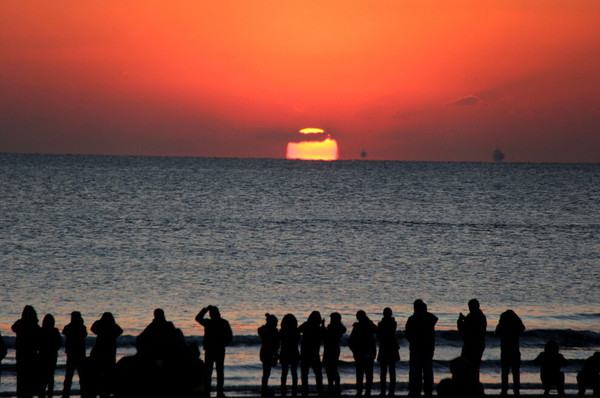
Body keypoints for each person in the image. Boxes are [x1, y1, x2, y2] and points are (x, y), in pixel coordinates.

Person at [195, 305, 233, 398]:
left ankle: (208, 388)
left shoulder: (209, 323)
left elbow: (198, 318)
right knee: (219, 370)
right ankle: (219, 389)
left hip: (211, 349)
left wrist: (205, 309)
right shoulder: (223, 322)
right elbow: (229, 336)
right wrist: (225, 343)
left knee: (209, 371)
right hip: (218, 349)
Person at [405, 300, 438, 397]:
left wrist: (412, 340)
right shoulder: (429, 318)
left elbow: (408, 333)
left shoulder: (413, 319)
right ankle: (427, 390)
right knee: (426, 370)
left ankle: (416, 390)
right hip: (426, 348)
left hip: (417, 348)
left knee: (416, 371)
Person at [91, 312, 123, 398]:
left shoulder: (100, 324)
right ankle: (106, 390)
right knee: (108, 371)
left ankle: (100, 389)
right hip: (110, 351)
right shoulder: (113, 326)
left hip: (101, 350)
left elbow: (93, 328)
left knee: (99, 371)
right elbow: (120, 331)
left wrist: (101, 332)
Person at [12, 305, 41, 398]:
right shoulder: (34, 325)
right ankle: (29, 394)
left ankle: (21, 394)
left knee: (21, 376)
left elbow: (13, 328)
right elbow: (39, 339)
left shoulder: (20, 323)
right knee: (30, 376)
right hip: (32, 353)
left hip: (21, 353)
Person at [495, 309, 525, 396]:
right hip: (515, 350)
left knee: (505, 372)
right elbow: (522, 328)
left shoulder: (503, 322)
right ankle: (516, 390)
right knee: (515, 372)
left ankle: (504, 390)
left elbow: (497, 331)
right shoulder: (516, 322)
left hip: (505, 350)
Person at [457, 299, 487, 383]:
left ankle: (468, 385)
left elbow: (465, 331)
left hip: (470, 345)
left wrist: (459, 322)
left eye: (470, 307)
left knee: (466, 366)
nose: (469, 308)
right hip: (479, 344)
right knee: (475, 367)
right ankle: (475, 385)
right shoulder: (481, 316)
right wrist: (465, 319)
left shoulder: (471, 317)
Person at [349, 310, 378, 397]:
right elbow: (376, 330)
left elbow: (351, 341)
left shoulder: (358, 327)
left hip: (361, 353)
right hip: (367, 352)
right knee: (368, 372)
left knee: (360, 373)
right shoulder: (368, 325)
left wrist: (354, 351)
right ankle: (366, 392)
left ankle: (361, 391)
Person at [298, 311, 325, 397]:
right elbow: (324, 335)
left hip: (305, 352)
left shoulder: (306, 325)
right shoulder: (318, 328)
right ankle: (320, 390)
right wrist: (323, 325)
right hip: (314, 353)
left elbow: (297, 330)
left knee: (304, 373)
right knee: (318, 373)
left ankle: (305, 391)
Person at [62, 311, 88, 398]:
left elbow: (64, 332)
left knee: (69, 376)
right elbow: (85, 335)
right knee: (82, 376)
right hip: (80, 354)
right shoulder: (82, 327)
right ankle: (83, 393)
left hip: (72, 354)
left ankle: (66, 394)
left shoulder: (69, 327)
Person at [377, 308, 399, 397]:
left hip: (384, 348)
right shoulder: (393, 323)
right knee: (391, 371)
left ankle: (383, 391)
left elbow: (379, 336)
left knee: (383, 371)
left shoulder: (381, 324)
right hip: (392, 348)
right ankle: (391, 391)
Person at [39, 314, 62, 398]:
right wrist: (54, 349)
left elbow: (37, 342)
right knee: (50, 377)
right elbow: (59, 343)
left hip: (43, 356)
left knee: (42, 377)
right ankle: (49, 394)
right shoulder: (55, 331)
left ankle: (41, 394)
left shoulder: (41, 330)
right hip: (52, 356)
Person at [323, 312, 346, 396]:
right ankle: (334, 387)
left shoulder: (334, 327)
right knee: (331, 369)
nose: (331, 320)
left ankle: (333, 388)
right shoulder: (337, 327)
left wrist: (324, 327)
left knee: (331, 369)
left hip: (331, 349)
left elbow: (326, 337)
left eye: (332, 318)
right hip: (333, 348)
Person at [258, 313, 280, 397]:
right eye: (275, 323)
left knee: (266, 372)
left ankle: (264, 388)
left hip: (266, 352)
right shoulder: (271, 331)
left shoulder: (265, 329)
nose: (276, 325)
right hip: (268, 352)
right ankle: (264, 389)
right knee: (266, 372)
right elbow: (276, 344)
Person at [279, 314, 300, 397]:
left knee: (284, 372)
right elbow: (298, 339)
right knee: (294, 372)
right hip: (294, 352)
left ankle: (283, 387)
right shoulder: (296, 331)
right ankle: (294, 388)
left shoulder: (282, 331)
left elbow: (278, 339)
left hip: (284, 352)